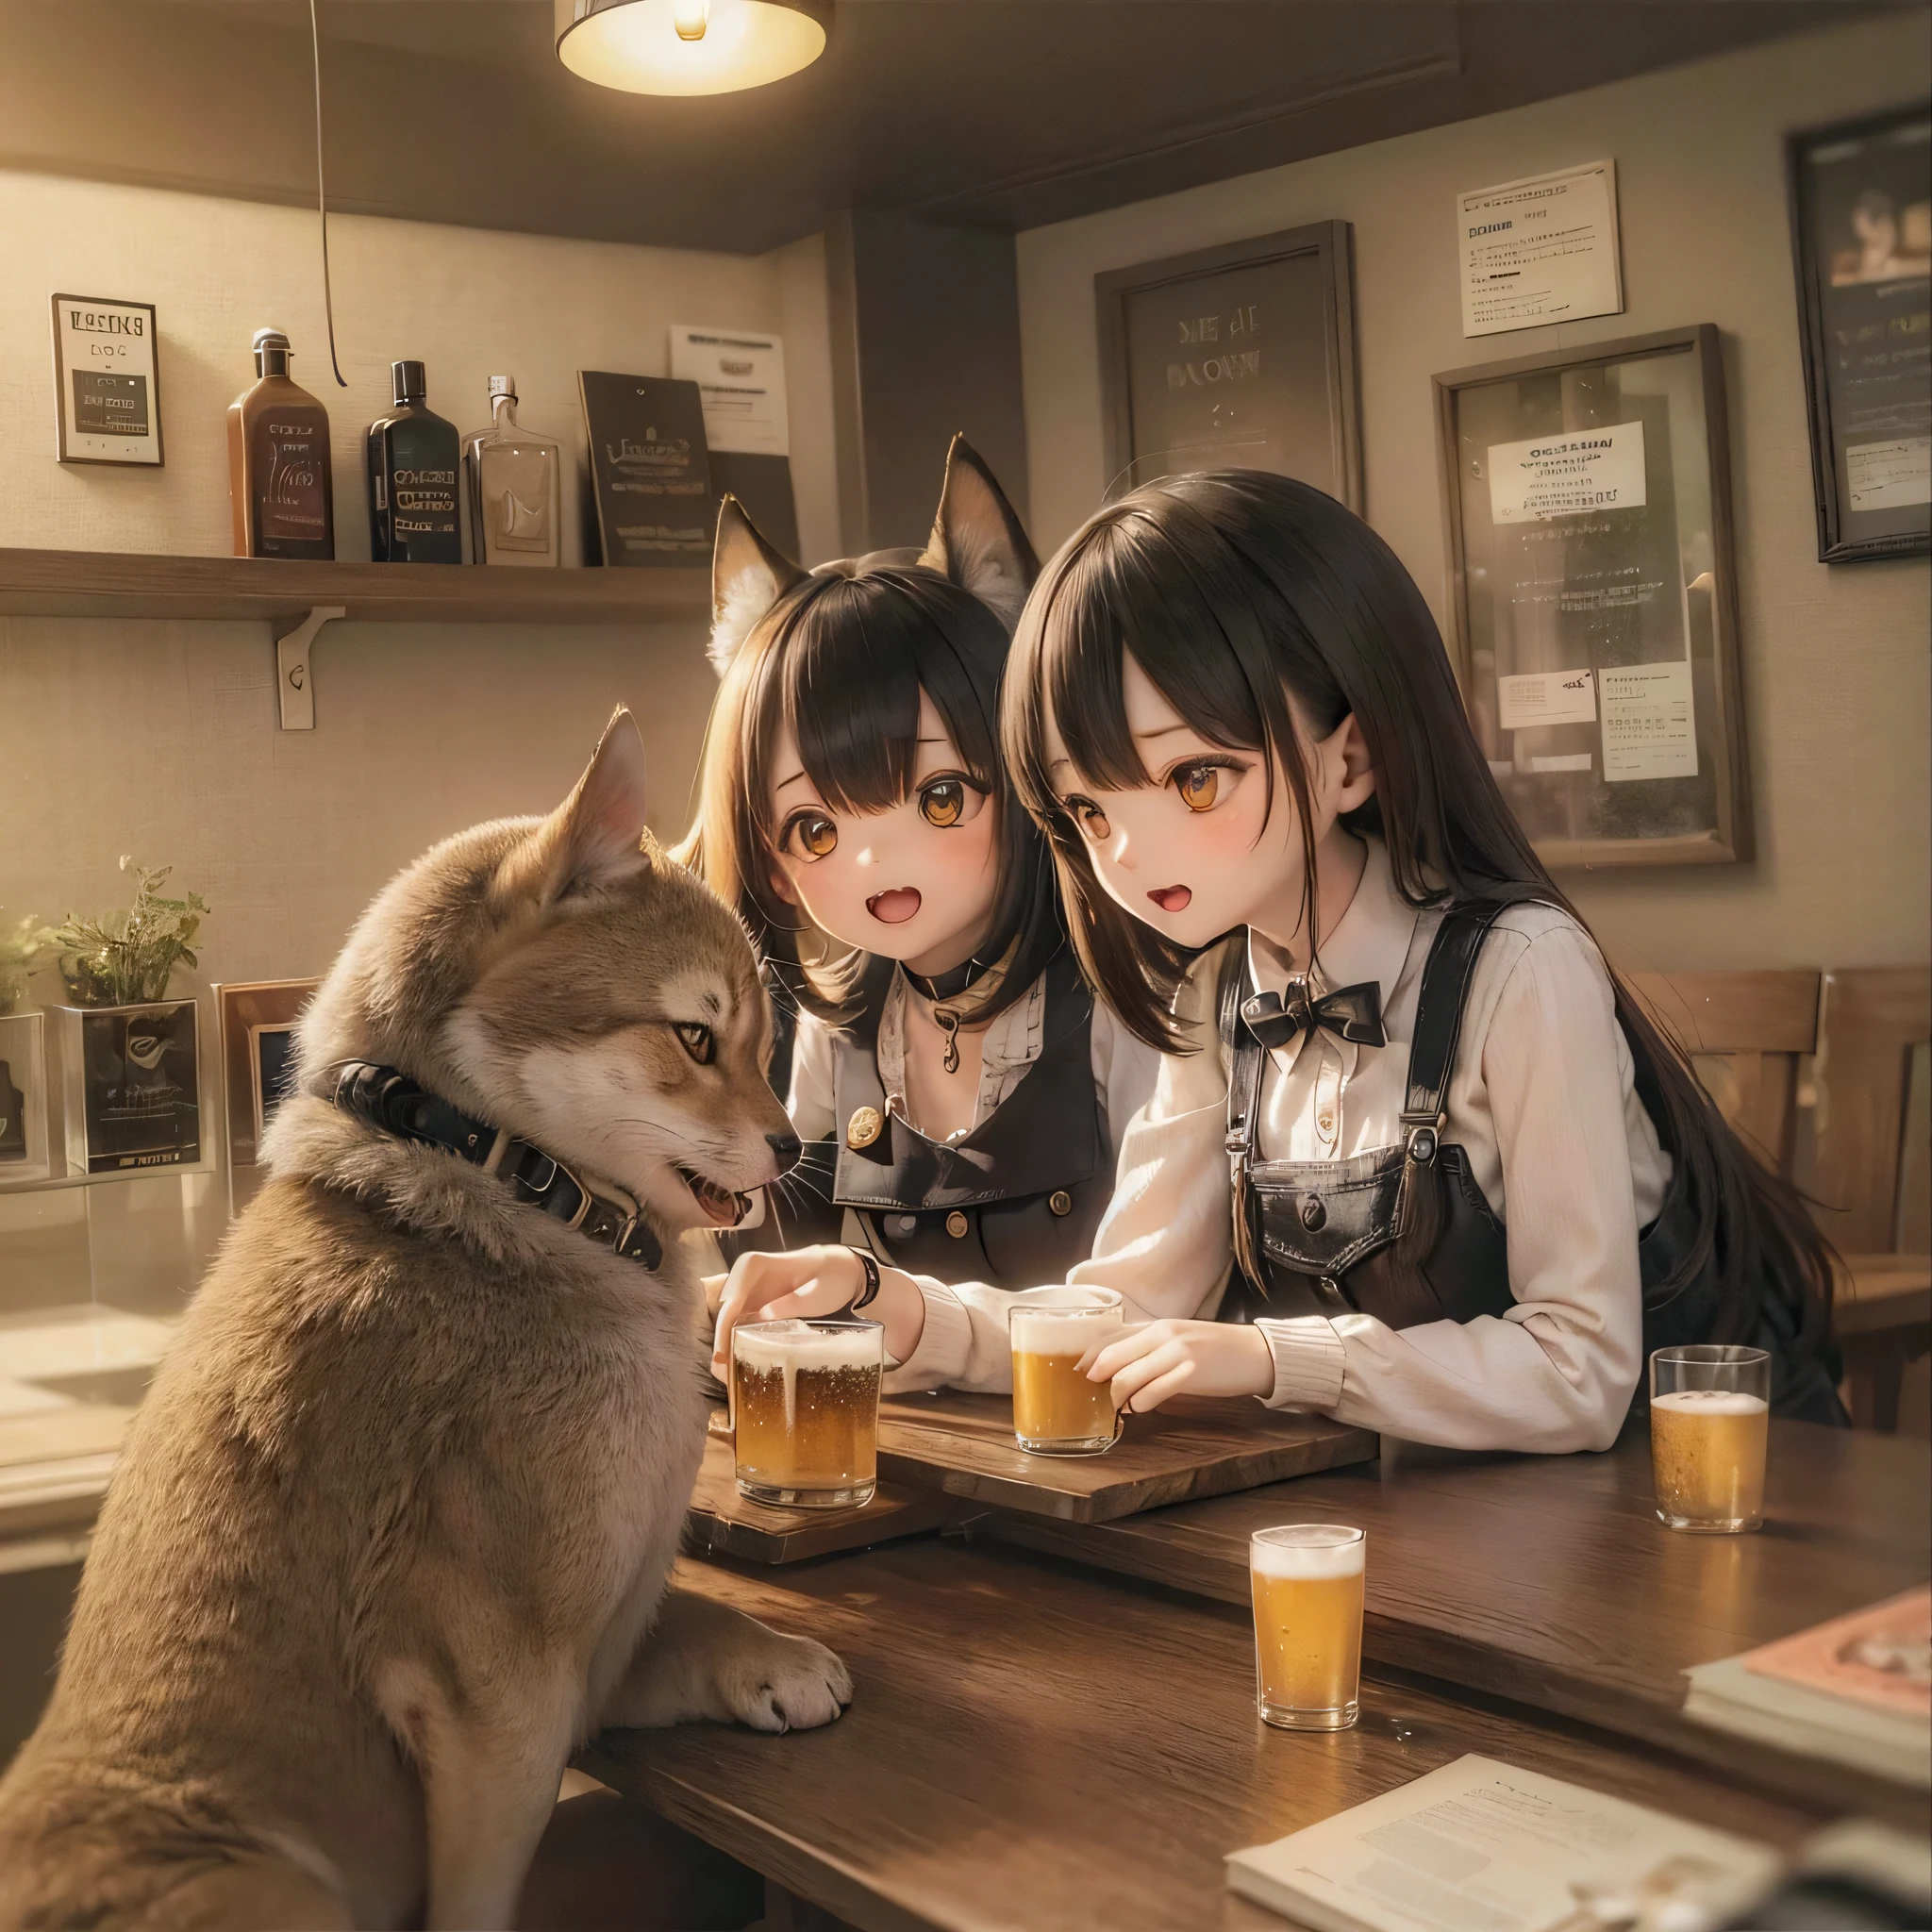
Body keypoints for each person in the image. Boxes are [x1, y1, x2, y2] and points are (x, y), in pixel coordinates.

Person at [715, 470, 1844, 1447]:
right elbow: (1123, 1304)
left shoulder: (1520, 967)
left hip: (1713, 1512)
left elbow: (1580, 1372)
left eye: (1194, 778)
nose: (1130, 848)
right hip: (1463, 1528)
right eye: (1087, 807)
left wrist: (1271, 1360)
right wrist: (893, 1306)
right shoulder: (1219, 996)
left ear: (1348, 754)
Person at [685, 437, 1158, 1367]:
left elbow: (1159, 1304)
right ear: (770, 858)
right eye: (815, 828)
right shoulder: (841, 1011)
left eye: (938, 797)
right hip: (899, 1468)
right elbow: (785, 1254)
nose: (872, 857)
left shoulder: (1125, 986)